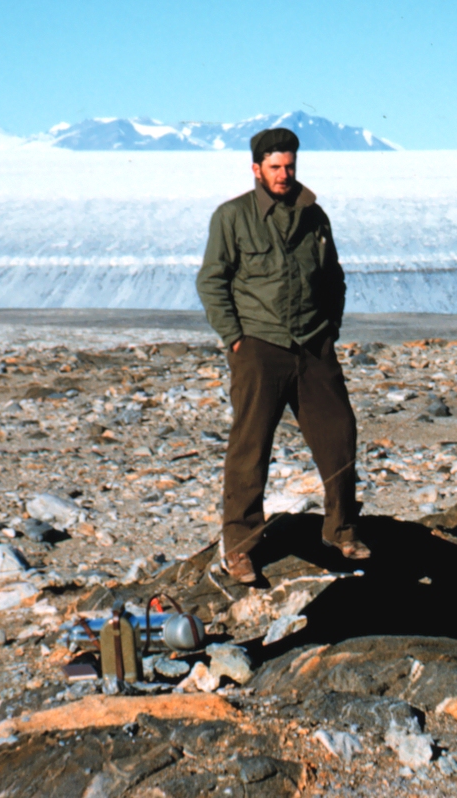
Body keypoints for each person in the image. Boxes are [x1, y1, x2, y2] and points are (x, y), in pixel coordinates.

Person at [195, 126, 368, 583]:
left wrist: (330, 328)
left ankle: (343, 530)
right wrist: (235, 338)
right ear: (257, 169)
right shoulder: (232, 217)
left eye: (290, 165)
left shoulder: (314, 215)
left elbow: (333, 278)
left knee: (339, 434)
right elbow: (211, 280)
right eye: (275, 167)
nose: (284, 174)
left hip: (312, 345)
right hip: (259, 346)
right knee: (251, 447)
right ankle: (242, 547)